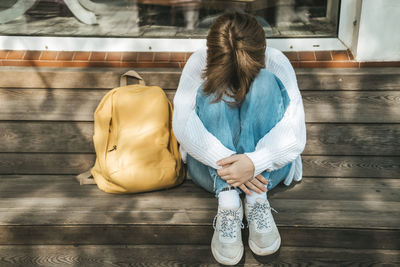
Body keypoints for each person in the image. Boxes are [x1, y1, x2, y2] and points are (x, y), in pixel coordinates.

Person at [172, 11, 306, 265]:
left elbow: (295, 134)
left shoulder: (275, 63)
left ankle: (256, 202)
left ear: (263, 52)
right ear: (210, 52)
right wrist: (233, 164)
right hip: (212, 171)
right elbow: (182, 125)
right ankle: (229, 204)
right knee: (215, 83)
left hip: (267, 171)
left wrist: (255, 163)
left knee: (265, 80)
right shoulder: (199, 62)